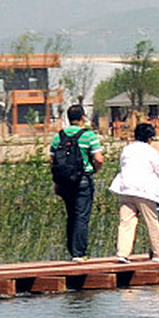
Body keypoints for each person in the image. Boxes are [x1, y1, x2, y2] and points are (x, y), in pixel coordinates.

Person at [109, 121, 159, 262]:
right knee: (152, 222)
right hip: (144, 190)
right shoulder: (150, 151)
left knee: (126, 222)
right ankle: (158, 253)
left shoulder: (127, 149)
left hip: (126, 189)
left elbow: (123, 165)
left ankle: (122, 253)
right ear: (150, 138)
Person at [50, 104, 104, 260]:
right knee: (82, 216)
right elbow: (99, 159)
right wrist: (94, 170)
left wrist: (57, 182)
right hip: (83, 180)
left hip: (65, 181)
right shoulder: (89, 136)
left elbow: (52, 160)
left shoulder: (58, 136)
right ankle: (79, 253)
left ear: (68, 118)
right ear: (82, 117)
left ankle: (71, 250)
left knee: (71, 215)